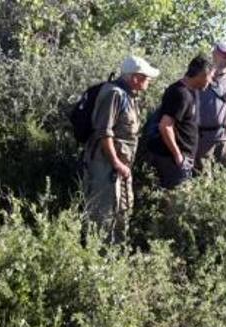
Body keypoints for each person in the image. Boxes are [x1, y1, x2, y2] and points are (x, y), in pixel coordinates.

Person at [85, 55, 159, 243]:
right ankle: (98, 260)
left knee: (122, 211)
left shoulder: (129, 96)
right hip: (105, 167)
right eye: (146, 77)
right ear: (135, 78)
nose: (149, 81)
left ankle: (116, 256)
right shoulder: (114, 94)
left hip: (119, 168)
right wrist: (116, 163)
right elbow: (104, 133)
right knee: (103, 215)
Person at [148, 55, 214, 189]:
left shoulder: (192, 92)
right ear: (202, 74)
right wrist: (178, 155)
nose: (211, 81)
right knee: (177, 201)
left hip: (184, 158)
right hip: (173, 160)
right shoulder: (180, 93)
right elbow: (165, 126)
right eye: (210, 77)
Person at [194, 41, 226, 174]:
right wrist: (212, 71)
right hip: (203, 137)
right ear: (214, 54)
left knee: (223, 177)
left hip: (225, 137)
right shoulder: (200, 76)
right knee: (202, 179)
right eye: (224, 55)